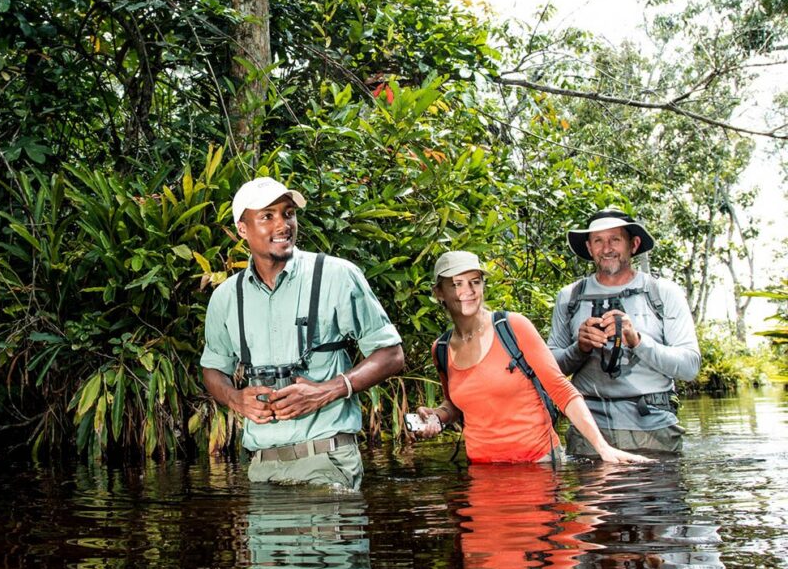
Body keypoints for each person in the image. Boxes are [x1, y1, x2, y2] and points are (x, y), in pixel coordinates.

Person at [200, 177, 404, 490]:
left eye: (289, 213)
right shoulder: (226, 297)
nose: (283, 225)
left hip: (330, 458)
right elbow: (213, 369)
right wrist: (234, 398)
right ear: (242, 229)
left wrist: (329, 390)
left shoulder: (337, 275)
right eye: (268, 216)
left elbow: (391, 355)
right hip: (261, 468)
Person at [412, 250, 648, 464]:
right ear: (439, 293)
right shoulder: (441, 349)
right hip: (484, 475)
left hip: (538, 463)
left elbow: (561, 389)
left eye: (475, 282)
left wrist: (602, 448)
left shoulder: (512, 326)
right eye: (457, 284)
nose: (468, 292)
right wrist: (437, 417)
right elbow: (454, 405)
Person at [547, 208, 700, 456]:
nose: (607, 248)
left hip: (654, 427)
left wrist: (637, 340)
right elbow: (550, 368)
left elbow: (690, 367)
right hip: (590, 431)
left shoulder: (663, 293)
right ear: (589, 247)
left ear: (634, 244)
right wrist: (580, 348)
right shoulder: (569, 297)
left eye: (615, 239)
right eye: (598, 240)